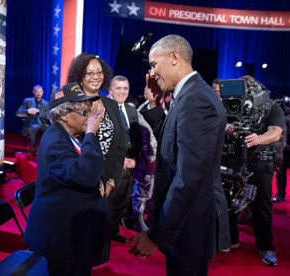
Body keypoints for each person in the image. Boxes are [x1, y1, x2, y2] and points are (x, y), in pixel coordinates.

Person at [128, 34, 229, 276]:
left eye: (153, 64)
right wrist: (154, 104)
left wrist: (155, 237)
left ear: (174, 57)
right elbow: (170, 140)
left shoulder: (196, 100)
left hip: (189, 226)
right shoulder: (188, 95)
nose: (151, 73)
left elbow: (188, 179)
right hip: (185, 223)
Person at [24, 82, 106, 276]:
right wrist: (91, 134)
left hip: (75, 231)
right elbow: (85, 176)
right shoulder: (55, 140)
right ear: (64, 115)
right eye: (84, 113)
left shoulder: (71, 135)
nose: (90, 118)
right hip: (61, 236)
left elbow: (91, 170)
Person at [66, 53, 129, 264]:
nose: (95, 76)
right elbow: (63, 146)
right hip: (78, 187)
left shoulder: (110, 104)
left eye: (99, 72)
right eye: (89, 72)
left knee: (94, 250)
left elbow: (121, 144)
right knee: (74, 249)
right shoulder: (70, 103)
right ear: (80, 75)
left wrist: (112, 180)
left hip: (105, 189)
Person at [225, 75, 285, 266]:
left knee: (262, 206)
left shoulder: (271, 107)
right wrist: (228, 128)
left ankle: (266, 245)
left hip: (260, 163)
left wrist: (259, 139)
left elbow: (276, 131)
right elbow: (222, 123)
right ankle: (230, 239)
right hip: (234, 160)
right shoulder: (233, 104)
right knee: (228, 202)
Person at [109, 75, 157, 234]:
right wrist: (118, 160)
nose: (122, 92)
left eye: (125, 88)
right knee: (109, 204)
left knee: (123, 203)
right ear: (110, 91)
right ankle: (102, 238)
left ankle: (114, 231)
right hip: (111, 168)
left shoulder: (132, 111)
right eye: (118, 88)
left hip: (130, 167)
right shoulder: (103, 111)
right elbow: (99, 141)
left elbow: (139, 139)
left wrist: (136, 160)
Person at [16, 85, 49, 155]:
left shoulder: (46, 104)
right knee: (35, 128)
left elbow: (48, 116)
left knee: (50, 130)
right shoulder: (28, 101)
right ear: (33, 92)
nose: (38, 93)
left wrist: (40, 112)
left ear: (43, 92)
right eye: (36, 91)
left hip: (42, 124)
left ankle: (45, 149)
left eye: (40, 92)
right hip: (31, 124)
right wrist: (28, 111)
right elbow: (18, 113)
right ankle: (32, 147)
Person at [273, 111, 290, 202]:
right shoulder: (284, 117)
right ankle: (280, 194)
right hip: (285, 148)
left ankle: (280, 195)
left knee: (281, 172)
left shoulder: (283, 118)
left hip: (284, 148)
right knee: (281, 173)